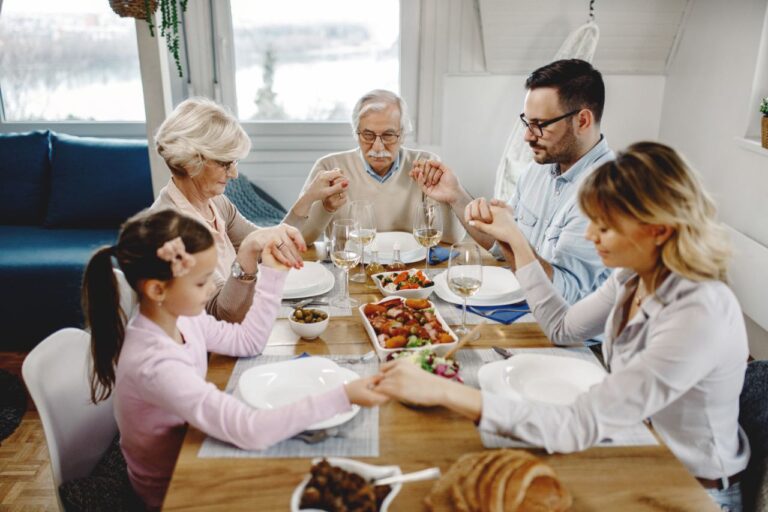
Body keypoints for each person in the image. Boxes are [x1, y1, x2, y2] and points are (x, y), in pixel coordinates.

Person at [376, 142, 750, 511]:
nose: (591, 236)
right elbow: (562, 328)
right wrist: (516, 243)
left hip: (688, 489)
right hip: (634, 448)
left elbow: (577, 424)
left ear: (659, 230)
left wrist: (443, 392)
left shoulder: (698, 315)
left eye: (605, 226)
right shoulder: (634, 278)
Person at [82, 209, 388, 510]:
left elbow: (248, 342)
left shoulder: (181, 318)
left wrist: (272, 274)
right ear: (157, 289)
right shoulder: (155, 365)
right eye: (202, 283)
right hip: (175, 486)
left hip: (195, 446)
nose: (211, 290)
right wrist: (342, 395)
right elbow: (249, 429)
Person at [412, 59, 613, 303]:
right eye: (527, 122)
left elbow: (566, 294)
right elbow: (502, 250)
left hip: (572, 335)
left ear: (582, 121)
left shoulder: (609, 193)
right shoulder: (537, 171)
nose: (527, 136)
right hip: (527, 310)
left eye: (540, 125)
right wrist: (456, 195)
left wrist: (514, 237)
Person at [153, 97, 348, 322]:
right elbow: (222, 314)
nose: (234, 174)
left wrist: (311, 197)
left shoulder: (215, 203)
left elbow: (271, 243)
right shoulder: (172, 230)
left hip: (242, 318)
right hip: (210, 349)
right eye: (225, 163)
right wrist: (247, 252)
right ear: (190, 162)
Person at [289, 89, 464, 244]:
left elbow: (452, 238)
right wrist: (326, 208)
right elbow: (299, 240)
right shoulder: (328, 167)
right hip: (351, 269)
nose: (378, 147)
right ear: (356, 134)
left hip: (408, 272)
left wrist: (443, 196)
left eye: (388, 135)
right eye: (368, 135)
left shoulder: (426, 164)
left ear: (402, 135)